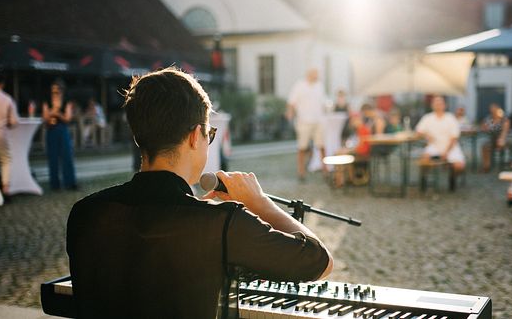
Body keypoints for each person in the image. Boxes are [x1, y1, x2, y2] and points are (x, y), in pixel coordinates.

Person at [67, 68, 332, 319]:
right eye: (209, 133)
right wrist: (260, 203)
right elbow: (319, 262)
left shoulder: (85, 213)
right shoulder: (221, 224)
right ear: (196, 136)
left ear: (139, 137)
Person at [286, 68, 327, 179]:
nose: (316, 76)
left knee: (321, 146)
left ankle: (325, 169)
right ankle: (301, 171)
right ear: (309, 74)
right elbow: (291, 101)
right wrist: (290, 112)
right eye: (315, 74)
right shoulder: (299, 85)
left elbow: (323, 102)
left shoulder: (320, 86)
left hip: (318, 120)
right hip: (304, 121)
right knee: (302, 147)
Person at [415, 96, 465, 174]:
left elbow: (454, 138)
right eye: (436, 103)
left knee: (459, 166)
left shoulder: (450, 118)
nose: (438, 105)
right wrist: (426, 135)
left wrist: (446, 152)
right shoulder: (427, 118)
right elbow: (418, 131)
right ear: (432, 105)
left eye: (440, 103)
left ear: (445, 105)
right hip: (433, 146)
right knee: (424, 161)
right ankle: (425, 182)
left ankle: (451, 181)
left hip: (450, 146)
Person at [42, 80, 77, 190]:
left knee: (67, 156)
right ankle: (55, 184)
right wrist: (53, 113)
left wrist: (57, 113)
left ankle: (70, 183)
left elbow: (68, 118)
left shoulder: (67, 102)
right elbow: (45, 118)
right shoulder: (47, 102)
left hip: (63, 129)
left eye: (57, 91)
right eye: (53, 92)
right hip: (51, 130)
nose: (55, 94)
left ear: (62, 91)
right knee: (53, 157)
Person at [480, 103, 510, 172]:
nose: (493, 111)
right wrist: (484, 127)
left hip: (504, 139)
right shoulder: (488, 118)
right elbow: (483, 127)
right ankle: (486, 166)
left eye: (494, 109)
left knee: (502, 144)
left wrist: (501, 139)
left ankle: (503, 165)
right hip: (492, 139)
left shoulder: (504, 119)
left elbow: (505, 131)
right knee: (485, 146)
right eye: (491, 109)